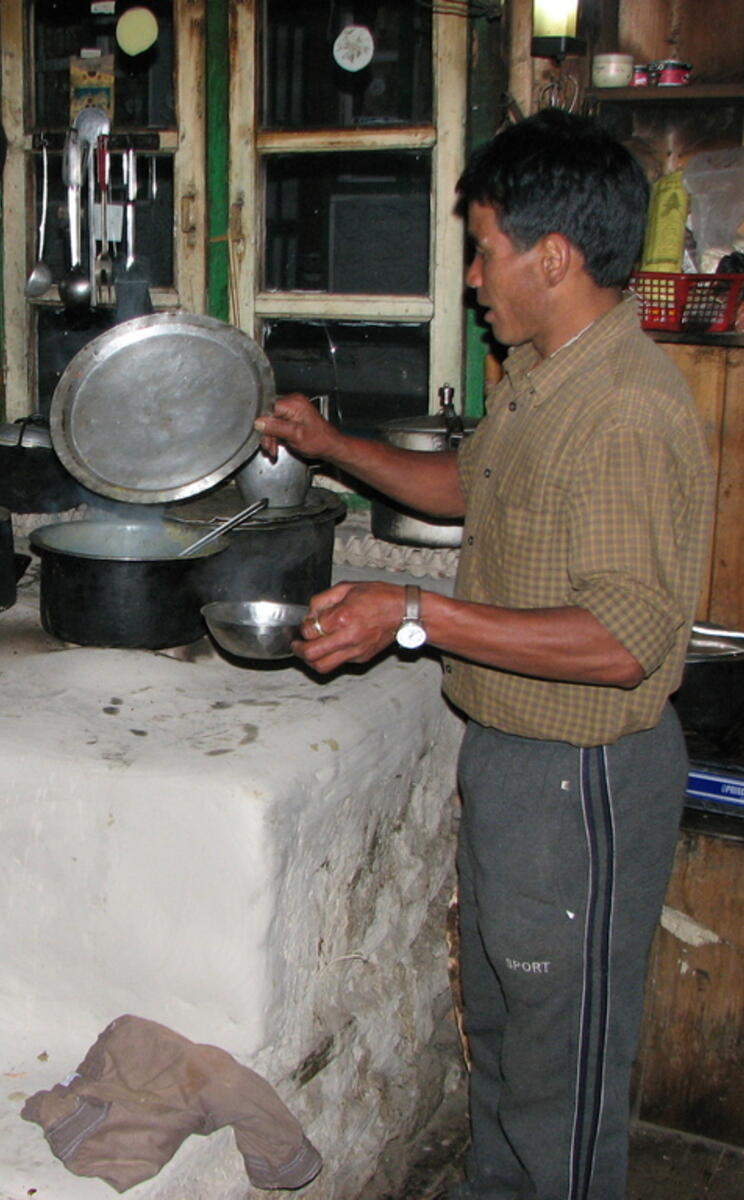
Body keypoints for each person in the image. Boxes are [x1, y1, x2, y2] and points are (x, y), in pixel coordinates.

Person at [254, 108, 714, 1200]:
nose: (471, 277)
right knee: (508, 1040)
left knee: (563, 1071)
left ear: (552, 259)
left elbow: (619, 642)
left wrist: (412, 612)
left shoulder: (624, 412)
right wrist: (329, 446)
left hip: (583, 782)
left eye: (485, 248)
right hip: (517, 763)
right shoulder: (541, 379)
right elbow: (472, 488)